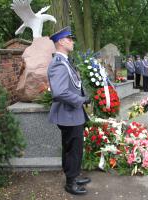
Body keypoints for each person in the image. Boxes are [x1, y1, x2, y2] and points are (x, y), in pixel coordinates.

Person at [48, 26, 91, 195]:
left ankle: (73, 176)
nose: (72, 42)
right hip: (68, 115)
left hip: (72, 114)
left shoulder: (65, 61)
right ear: (60, 41)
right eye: (69, 39)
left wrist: (83, 94)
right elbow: (59, 92)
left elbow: (73, 85)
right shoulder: (58, 64)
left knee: (73, 148)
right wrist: (82, 100)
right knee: (72, 149)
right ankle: (70, 183)